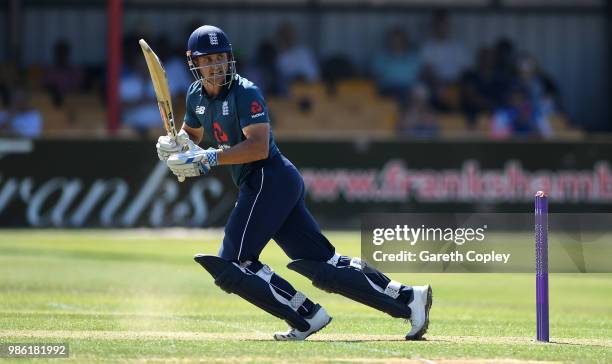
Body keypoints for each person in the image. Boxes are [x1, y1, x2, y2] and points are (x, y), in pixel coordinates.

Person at [155, 25, 432, 341]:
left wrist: (210, 158)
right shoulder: (194, 96)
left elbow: (257, 147)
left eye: (222, 58)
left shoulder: (246, 92)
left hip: (268, 178)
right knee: (322, 266)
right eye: (209, 60)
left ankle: (304, 315)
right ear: (194, 62)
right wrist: (175, 144)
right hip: (268, 184)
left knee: (234, 264)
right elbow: (192, 138)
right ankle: (410, 299)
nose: (217, 66)